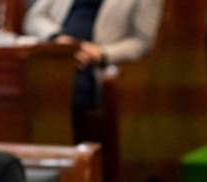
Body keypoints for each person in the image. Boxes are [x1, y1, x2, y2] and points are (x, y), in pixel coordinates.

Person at [22, 0, 163, 109]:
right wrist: (56, 37)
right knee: (17, 79)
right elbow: (34, 18)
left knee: (53, 87)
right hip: (52, 56)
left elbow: (143, 42)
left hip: (92, 68)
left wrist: (100, 53)